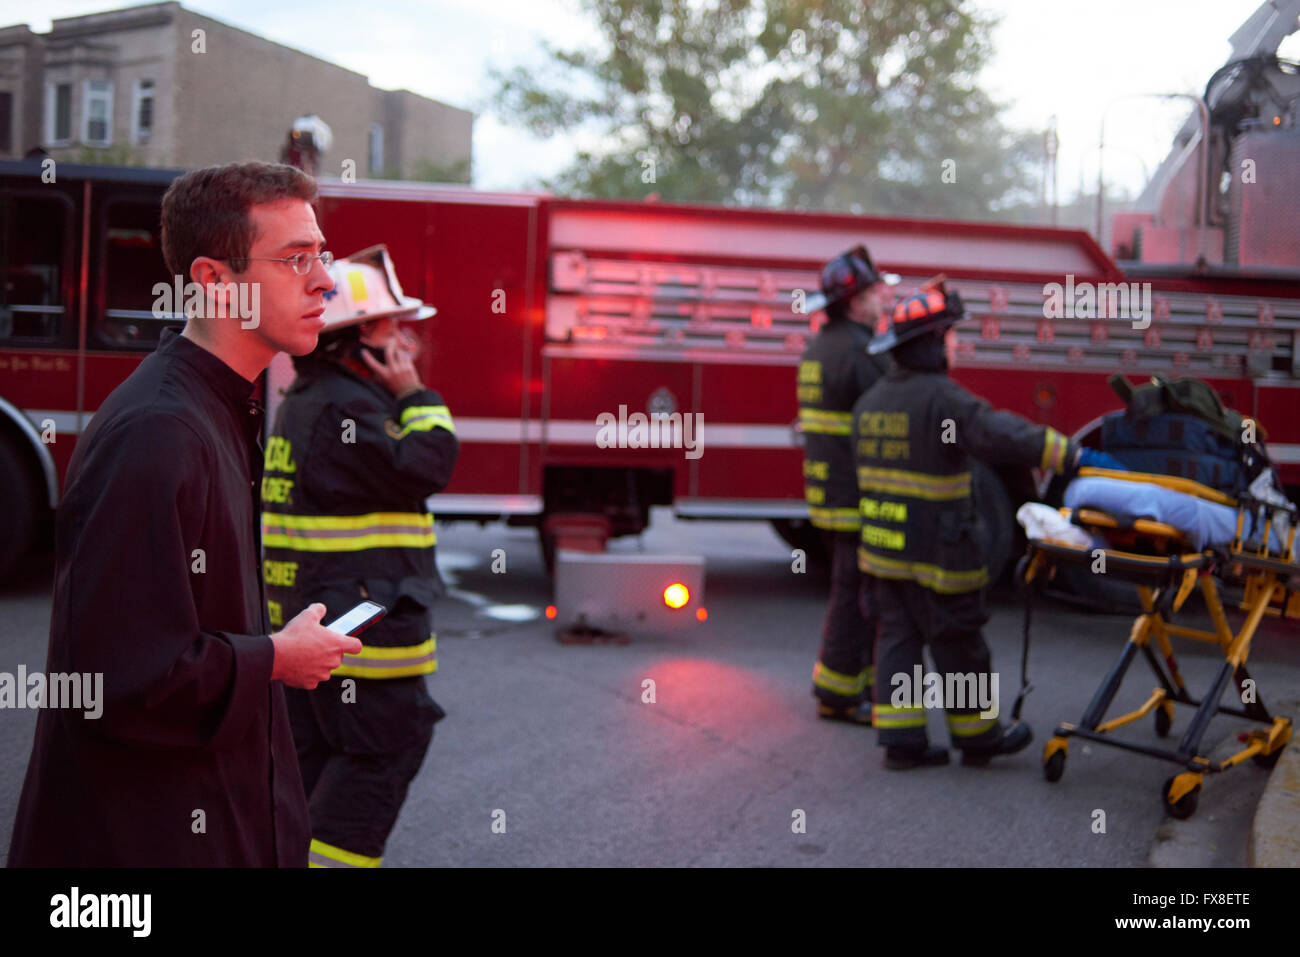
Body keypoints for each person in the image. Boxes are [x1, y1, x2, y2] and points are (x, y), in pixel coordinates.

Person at [8, 162, 361, 866]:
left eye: (320, 255)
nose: (326, 281)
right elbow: (119, 680)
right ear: (212, 279)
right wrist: (276, 658)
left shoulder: (223, 405)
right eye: (296, 259)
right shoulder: (160, 432)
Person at [261, 245, 458, 868]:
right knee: (384, 752)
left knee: (323, 756)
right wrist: (415, 392)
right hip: (359, 627)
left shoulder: (311, 398)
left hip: (323, 620)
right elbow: (427, 464)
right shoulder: (349, 407)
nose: (406, 340)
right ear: (361, 339)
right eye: (392, 326)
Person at [854, 279, 1081, 770]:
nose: (953, 345)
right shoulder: (944, 400)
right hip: (939, 552)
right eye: (948, 336)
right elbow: (1000, 434)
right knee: (959, 642)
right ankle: (979, 738)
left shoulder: (871, 402)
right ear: (931, 343)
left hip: (884, 551)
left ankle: (902, 743)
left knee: (897, 639)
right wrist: (1067, 453)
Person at [798, 245, 897, 725]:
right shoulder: (860, 351)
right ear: (855, 301)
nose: (883, 298)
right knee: (858, 595)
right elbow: (893, 409)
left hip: (830, 494)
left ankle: (839, 687)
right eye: (875, 291)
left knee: (847, 589)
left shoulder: (821, 343)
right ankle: (838, 693)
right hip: (857, 495)